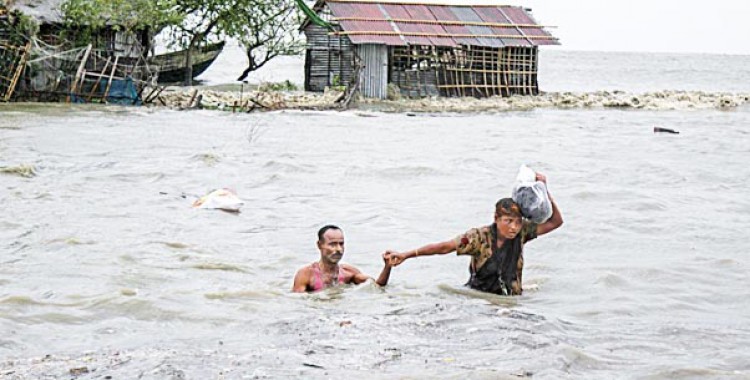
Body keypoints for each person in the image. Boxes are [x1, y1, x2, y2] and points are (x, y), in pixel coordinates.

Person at [385, 172, 563, 296]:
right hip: (480, 300)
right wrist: (407, 255)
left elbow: (556, 221)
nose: (514, 228)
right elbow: (445, 247)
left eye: (517, 222)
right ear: (496, 218)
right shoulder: (478, 237)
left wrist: (544, 190)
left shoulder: (523, 233)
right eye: (508, 221)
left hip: (511, 300)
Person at [292, 225, 393, 292]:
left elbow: (377, 286)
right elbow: (298, 305)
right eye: (332, 244)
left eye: (341, 244)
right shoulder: (306, 274)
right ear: (319, 245)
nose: (339, 249)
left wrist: (387, 267)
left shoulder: (348, 272)